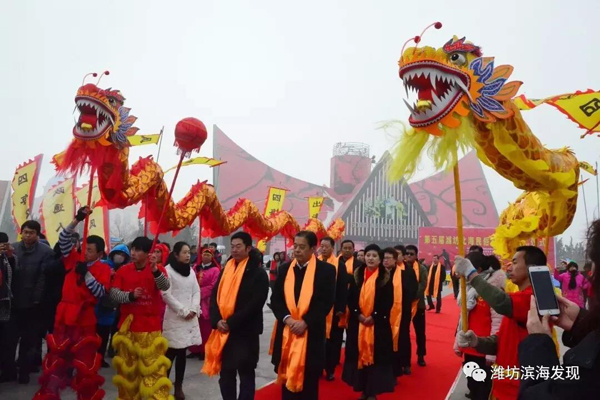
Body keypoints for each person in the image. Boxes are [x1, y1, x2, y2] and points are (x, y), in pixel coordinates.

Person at [517, 219, 600, 398]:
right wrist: (582, 322)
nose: (510, 266)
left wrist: (538, 344)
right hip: (572, 307)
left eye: (515, 262)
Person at [34, 207, 111, 399]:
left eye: (90, 250)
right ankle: (49, 394)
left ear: (99, 254)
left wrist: (86, 274)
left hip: (84, 320)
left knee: (85, 364)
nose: (85, 252)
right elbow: (63, 239)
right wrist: (77, 219)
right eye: (84, 247)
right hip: (63, 316)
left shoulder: (103, 269)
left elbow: (100, 292)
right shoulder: (72, 258)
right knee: (56, 361)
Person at [455, 246, 547, 400]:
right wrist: (477, 341)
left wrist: (472, 275)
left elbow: (500, 302)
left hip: (518, 389)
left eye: (515, 262)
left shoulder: (533, 298)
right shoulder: (519, 297)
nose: (509, 266)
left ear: (531, 268)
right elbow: (502, 340)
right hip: (504, 383)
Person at [202, 232, 269, 400]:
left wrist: (230, 322)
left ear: (248, 248)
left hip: (245, 332)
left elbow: (255, 304)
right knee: (226, 375)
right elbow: (214, 296)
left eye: (238, 246)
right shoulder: (226, 269)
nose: (235, 250)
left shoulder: (258, 273)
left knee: (246, 374)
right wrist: (217, 320)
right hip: (224, 332)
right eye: (232, 246)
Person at [270, 231, 335, 399]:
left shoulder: (326, 270)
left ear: (313, 249)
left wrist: (305, 322)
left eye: (302, 247)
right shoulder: (285, 269)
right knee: (286, 380)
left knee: (309, 381)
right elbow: (276, 299)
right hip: (287, 331)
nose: (297, 250)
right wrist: (288, 319)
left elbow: (325, 302)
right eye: (295, 246)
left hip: (311, 333)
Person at [109, 237, 172, 400]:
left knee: (153, 373)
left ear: (148, 253)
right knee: (128, 374)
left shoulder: (158, 270)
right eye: (133, 249)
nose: (133, 253)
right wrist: (130, 296)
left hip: (150, 329)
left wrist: (155, 270)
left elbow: (165, 287)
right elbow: (114, 293)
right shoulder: (123, 270)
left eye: (138, 250)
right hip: (127, 330)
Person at [342, 244, 395, 400]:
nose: (370, 258)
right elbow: (350, 298)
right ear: (364, 257)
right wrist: (358, 315)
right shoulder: (357, 275)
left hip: (377, 326)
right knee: (358, 355)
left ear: (379, 259)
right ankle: (362, 388)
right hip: (358, 325)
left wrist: (373, 316)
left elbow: (388, 301)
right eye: (368, 255)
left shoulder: (385, 278)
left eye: (374, 256)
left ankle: (372, 391)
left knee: (376, 357)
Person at [4, 220, 53, 384]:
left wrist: (37, 300)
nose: (27, 235)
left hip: (33, 304)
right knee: (9, 340)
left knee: (28, 341)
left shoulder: (46, 252)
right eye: (25, 232)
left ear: (37, 234)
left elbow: (43, 279)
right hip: (13, 302)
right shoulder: (13, 249)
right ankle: (9, 370)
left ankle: (24, 371)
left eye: (31, 232)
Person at [453, 253, 505, 400]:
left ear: (479, 270)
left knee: (483, 387)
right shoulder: (468, 290)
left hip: (483, 349)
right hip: (469, 346)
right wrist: (458, 343)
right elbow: (462, 320)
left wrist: (491, 353)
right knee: (472, 382)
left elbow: (498, 323)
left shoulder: (493, 291)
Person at [162, 242, 201, 400]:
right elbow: (166, 294)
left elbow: (196, 290)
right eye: (184, 253)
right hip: (175, 318)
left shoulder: (190, 271)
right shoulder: (167, 271)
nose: (187, 255)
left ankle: (178, 385)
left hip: (189, 318)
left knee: (182, 353)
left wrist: (193, 308)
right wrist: (183, 311)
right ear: (176, 254)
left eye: (188, 252)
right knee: (170, 353)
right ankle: (163, 385)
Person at [319, 236, 348, 381]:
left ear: (332, 248)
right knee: (318, 341)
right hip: (318, 309)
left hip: (334, 308)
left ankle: (330, 369)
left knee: (333, 341)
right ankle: (317, 368)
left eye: (326, 246)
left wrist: (341, 307)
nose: (323, 249)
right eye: (321, 246)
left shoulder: (339, 264)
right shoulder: (315, 262)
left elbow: (343, 288)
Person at [390, 245, 418, 375]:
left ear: (403, 256)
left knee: (403, 336)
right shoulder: (387, 271)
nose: (396, 257)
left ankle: (405, 363)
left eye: (398, 254)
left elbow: (413, 291)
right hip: (389, 310)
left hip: (404, 309)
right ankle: (393, 363)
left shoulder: (408, 271)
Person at [188, 247, 220, 360]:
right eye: (204, 254)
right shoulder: (195, 268)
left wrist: (199, 292)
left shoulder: (215, 270)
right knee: (194, 325)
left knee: (205, 328)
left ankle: (204, 350)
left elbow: (213, 286)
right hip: (194, 299)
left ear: (212, 257)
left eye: (208, 255)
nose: (205, 257)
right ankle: (194, 349)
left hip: (206, 301)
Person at [400, 244, 427, 372]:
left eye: (411, 254)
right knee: (404, 333)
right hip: (403, 306)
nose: (409, 256)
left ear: (416, 256)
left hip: (418, 304)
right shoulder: (401, 268)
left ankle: (421, 355)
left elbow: (422, 285)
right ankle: (405, 361)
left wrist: (412, 296)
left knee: (420, 332)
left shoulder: (421, 269)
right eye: (407, 254)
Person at [0, 233, 16, 378]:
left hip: (6, 305)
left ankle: (6, 369)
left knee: (6, 340)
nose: (3, 246)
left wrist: (10, 256)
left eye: (5, 243)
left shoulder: (8, 258)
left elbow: (15, 273)